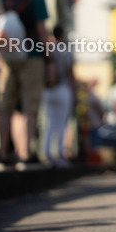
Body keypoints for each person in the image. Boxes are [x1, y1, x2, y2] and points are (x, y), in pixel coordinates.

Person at [0, 0, 54, 169]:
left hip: (9, 55)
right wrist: (49, 58)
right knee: (29, 106)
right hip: (32, 54)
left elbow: (0, 22)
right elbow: (41, 28)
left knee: (6, 104)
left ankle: (2, 151)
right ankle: (24, 152)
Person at [42, 24, 77, 167]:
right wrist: (74, 90)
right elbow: (70, 73)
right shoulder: (65, 51)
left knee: (49, 122)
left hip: (48, 89)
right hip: (62, 88)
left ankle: (46, 151)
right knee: (62, 123)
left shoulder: (48, 50)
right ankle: (60, 153)